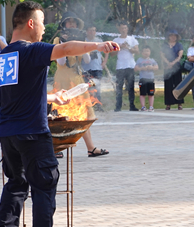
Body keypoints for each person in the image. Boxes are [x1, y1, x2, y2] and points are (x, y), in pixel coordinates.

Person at [0, 1, 119, 227]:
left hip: (7, 132)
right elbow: (66, 49)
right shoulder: (33, 50)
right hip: (33, 133)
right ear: (30, 23)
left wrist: (50, 97)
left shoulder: (3, 56)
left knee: (16, 182)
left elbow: (15, 94)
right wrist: (98, 45)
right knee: (45, 184)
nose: (44, 28)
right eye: (42, 22)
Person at [53, 13, 109, 158]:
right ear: (64, 25)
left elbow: (87, 59)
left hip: (77, 80)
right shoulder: (58, 39)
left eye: (74, 23)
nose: (72, 25)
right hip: (63, 79)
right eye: (69, 23)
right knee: (60, 116)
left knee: (83, 115)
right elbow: (61, 63)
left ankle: (91, 148)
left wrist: (80, 45)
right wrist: (64, 46)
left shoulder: (80, 39)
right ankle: (56, 148)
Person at [111, 22, 139, 112]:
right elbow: (112, 54)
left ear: (127, 29)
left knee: (130, 86)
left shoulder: (132, 39)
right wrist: (119, 47)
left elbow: (137, 51)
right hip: (120, 66)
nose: (123, 30)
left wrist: (128, 47)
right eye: (122, 28)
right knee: (119, 87)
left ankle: (132, 105)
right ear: (119, 29)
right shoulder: (115, 40)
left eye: (125, 28)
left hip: (130, 65)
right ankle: (118, 106)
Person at [83, 24, 106, 110]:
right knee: (87, 88)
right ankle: (88, 106)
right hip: (86, 68)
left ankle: (98, 105)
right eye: (90, 30)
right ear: (86, 32)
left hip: (97, 68)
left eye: (93, 30)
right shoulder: (84, 41)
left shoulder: (99, 40)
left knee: (97, 87)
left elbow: (106, 52)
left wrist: (104, 62)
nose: (92, 32)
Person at [161, 30, 184, 110]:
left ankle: (179, 103)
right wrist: (168, 63)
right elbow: (162, 55)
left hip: (176, 67)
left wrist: (172, 63)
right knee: (168, 85)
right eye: (171, 35)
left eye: (175, 36)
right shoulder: (164, 45)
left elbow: (180, 55)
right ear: (169, 36)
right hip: (167, 68)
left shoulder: (179, 45)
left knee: (178, 85)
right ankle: (168, 104)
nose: (173, 37)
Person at [134, 45, 158, 111]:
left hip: (150, 79)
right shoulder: (139, 60)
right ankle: (143, 106)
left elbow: (156, 67)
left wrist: (152, 68)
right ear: (142, 52)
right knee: (142, 94)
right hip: (143, 79)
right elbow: (135, 68)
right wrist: (142, 68)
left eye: (147, 51)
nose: (146, 53)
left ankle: (151, 106)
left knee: (151, 94)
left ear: (150, 52)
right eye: (144, 51)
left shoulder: (152, 60)